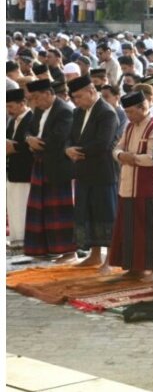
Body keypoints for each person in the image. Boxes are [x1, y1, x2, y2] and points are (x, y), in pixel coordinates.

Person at [65, 76, 119, 267]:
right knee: (88, 214)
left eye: (79, 97)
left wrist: (78, 151)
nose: (76, 101)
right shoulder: (78, 112)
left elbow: (103, 143)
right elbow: (70, 137)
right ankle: (94, 256)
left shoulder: (107, 113)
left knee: (106, 215)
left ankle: (110, 259)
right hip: (83, 173)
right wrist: (68, 149)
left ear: (91, 91)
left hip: (102, 173)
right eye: (74, 98)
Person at [109, 91, 153, 278]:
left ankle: (147, 267)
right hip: (127, 186)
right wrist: (120, 156)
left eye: (132, 112)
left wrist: (130, 158)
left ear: (143, 107)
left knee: (145, 228)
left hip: (146, 188)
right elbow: (116, 148)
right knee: (128, 228)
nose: (129, 116)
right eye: (126, 112)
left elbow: (152, 158)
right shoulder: (129, 126)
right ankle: (133, 266)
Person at [24, 79, 77, 260]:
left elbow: (58, 139)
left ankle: (69, 251)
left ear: (48, 94)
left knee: (60, 213)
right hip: (41, 164)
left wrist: (36, 143)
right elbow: (29, 130)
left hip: (58, 167)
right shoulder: (39, 110)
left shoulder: (64, 111)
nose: (35, 103)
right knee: (41, 209)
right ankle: (43, 248)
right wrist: (29, 139)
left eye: (37, 98)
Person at [6, 89, 34, 249]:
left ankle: (26, 240)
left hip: (26, 172)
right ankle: (17, 240)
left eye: (11, 106)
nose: (9, 110)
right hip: (14, 171)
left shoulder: (31, 119)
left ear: (22, 104)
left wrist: (13, 148)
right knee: (13, 206)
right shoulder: (12, 121)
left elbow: (32, 144)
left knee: (24, 207)